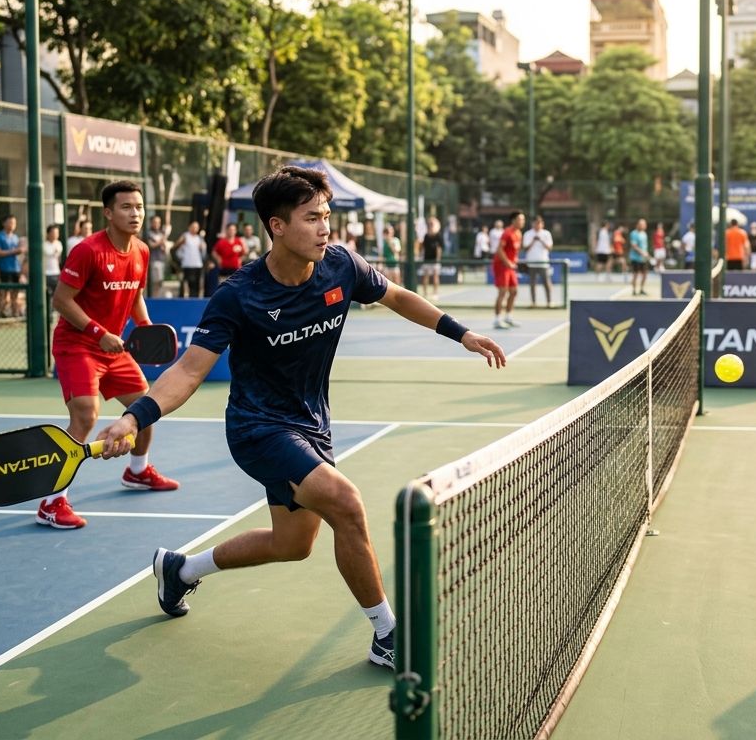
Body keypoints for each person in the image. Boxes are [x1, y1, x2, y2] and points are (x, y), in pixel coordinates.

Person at [93, 166, 506, 670]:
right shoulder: (238, 294)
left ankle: (180, 569)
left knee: (292, 545)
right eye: (312, 218)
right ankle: (387, 636)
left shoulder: (340, 266)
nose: (325, 228)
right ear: (277, 226)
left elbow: (396, 295)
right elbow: (188, 370)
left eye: (327, 216)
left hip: (311, 424)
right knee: (347, 503)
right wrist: (135, 418)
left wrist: (460, 333)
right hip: (257, 427)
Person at [44, 180, 180, 529]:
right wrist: (97, 333)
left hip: (114, 348)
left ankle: (137, 472)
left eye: (139, 207)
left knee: (147, 408)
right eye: (126, 207)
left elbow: (135, 295)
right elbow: (61, 300)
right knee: (86, 417)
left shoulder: (142, 251)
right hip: (77, 345)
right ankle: (51, 501)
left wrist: (145, 326)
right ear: (108, 212)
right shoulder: (88, 251)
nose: (135, 213)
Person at [492, 211, 523, 328]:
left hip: (510, 267)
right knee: (503, 292)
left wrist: (514, 261)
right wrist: (508, 262)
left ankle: (508, 317)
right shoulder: (507, 233)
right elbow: (499, 250)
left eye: (523, 220)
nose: (522, 222)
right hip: (501, 265)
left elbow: (514, 251)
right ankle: (497, 320)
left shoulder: (519, 233)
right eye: (520, 219)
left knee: (514, 291)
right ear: (514, 220)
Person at [0, 215, 25, 318]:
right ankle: (2, 314)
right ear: (4, 223)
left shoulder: (15, 237)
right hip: (4, 268)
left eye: (14, 223)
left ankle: (15, 314)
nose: (12, 225)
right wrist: (14, 251)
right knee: (5, 293)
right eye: (10, 222)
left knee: (15, 293)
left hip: (16, 268)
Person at [522, 215, 553, 306]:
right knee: (532, 284)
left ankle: (549, 302)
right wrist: (533, 240)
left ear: (542, 224)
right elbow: (525, 248)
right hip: (531, 263)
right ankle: (533, 302)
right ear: (533, 224)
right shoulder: (528, 234)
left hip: (544, 262)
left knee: (547, 283)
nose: (537, 225)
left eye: (539, 223)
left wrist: (541, 240)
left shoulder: (546, 233)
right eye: (536, 223)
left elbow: (549, 247)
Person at [173, 220, 206, 297]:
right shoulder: (185, 236)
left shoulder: (199, 238)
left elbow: (203, 252)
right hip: (186, 264)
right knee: (185, 284)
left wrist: (202, 247)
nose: (195, 229)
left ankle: (194, 299)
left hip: (197, 264)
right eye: (193, 227)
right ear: (189, 227)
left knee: (196, 286)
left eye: (196, 227)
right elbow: (175, 247)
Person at [419, 216, 443, 301]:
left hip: (435, 261)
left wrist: (438, 259)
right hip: (426, 259)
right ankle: (425, 293)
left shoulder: (438, 236)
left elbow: (439, 249)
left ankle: (435, 293)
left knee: (435, 276)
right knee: (425, 276)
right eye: (430, 224)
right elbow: (423, 248)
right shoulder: (426, 236)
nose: (431, 225)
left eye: (432, 224)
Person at [145, 215, 168, 297]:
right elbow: (151, 245)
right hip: (153, 260)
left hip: (161, 259)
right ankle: (151, 298)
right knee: (153, 281)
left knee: (160, 282)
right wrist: (160, 242)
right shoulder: (148, 233)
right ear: (151, 223)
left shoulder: (161, 233)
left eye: (158, 222)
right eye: (155, 222)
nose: (157, 224)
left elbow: (163, 247)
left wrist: (164, 246)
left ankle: (156, 298)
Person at [628, 218, 651, 296]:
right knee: (635, 274)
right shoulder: (633, 233)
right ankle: (634, 291)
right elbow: (634, 246)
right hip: (635, 258)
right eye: (642, 224)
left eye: (645, 224)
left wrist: (646, 253)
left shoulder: (644, 234)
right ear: (638, 225)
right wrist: (642, 253)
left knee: (645, 274)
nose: (644, 226)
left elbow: (644, 246)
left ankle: (641, 289)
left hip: (643, 259)